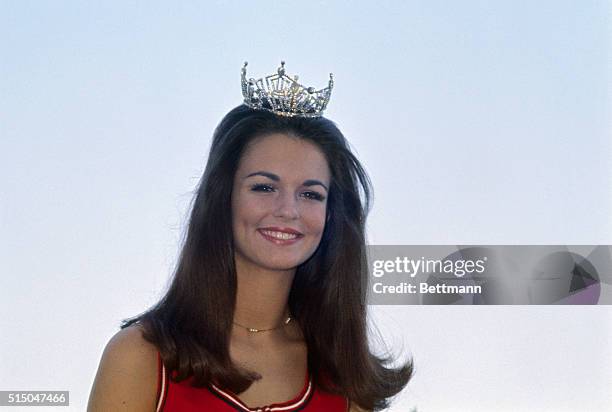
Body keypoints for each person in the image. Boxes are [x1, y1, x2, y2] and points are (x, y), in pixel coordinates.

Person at [88, 62, 413, 412]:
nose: (288, 209)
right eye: (263, 187)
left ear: (331, 214)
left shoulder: (345, 378)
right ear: (222, 198)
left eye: (310, 194)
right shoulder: (140, 358)